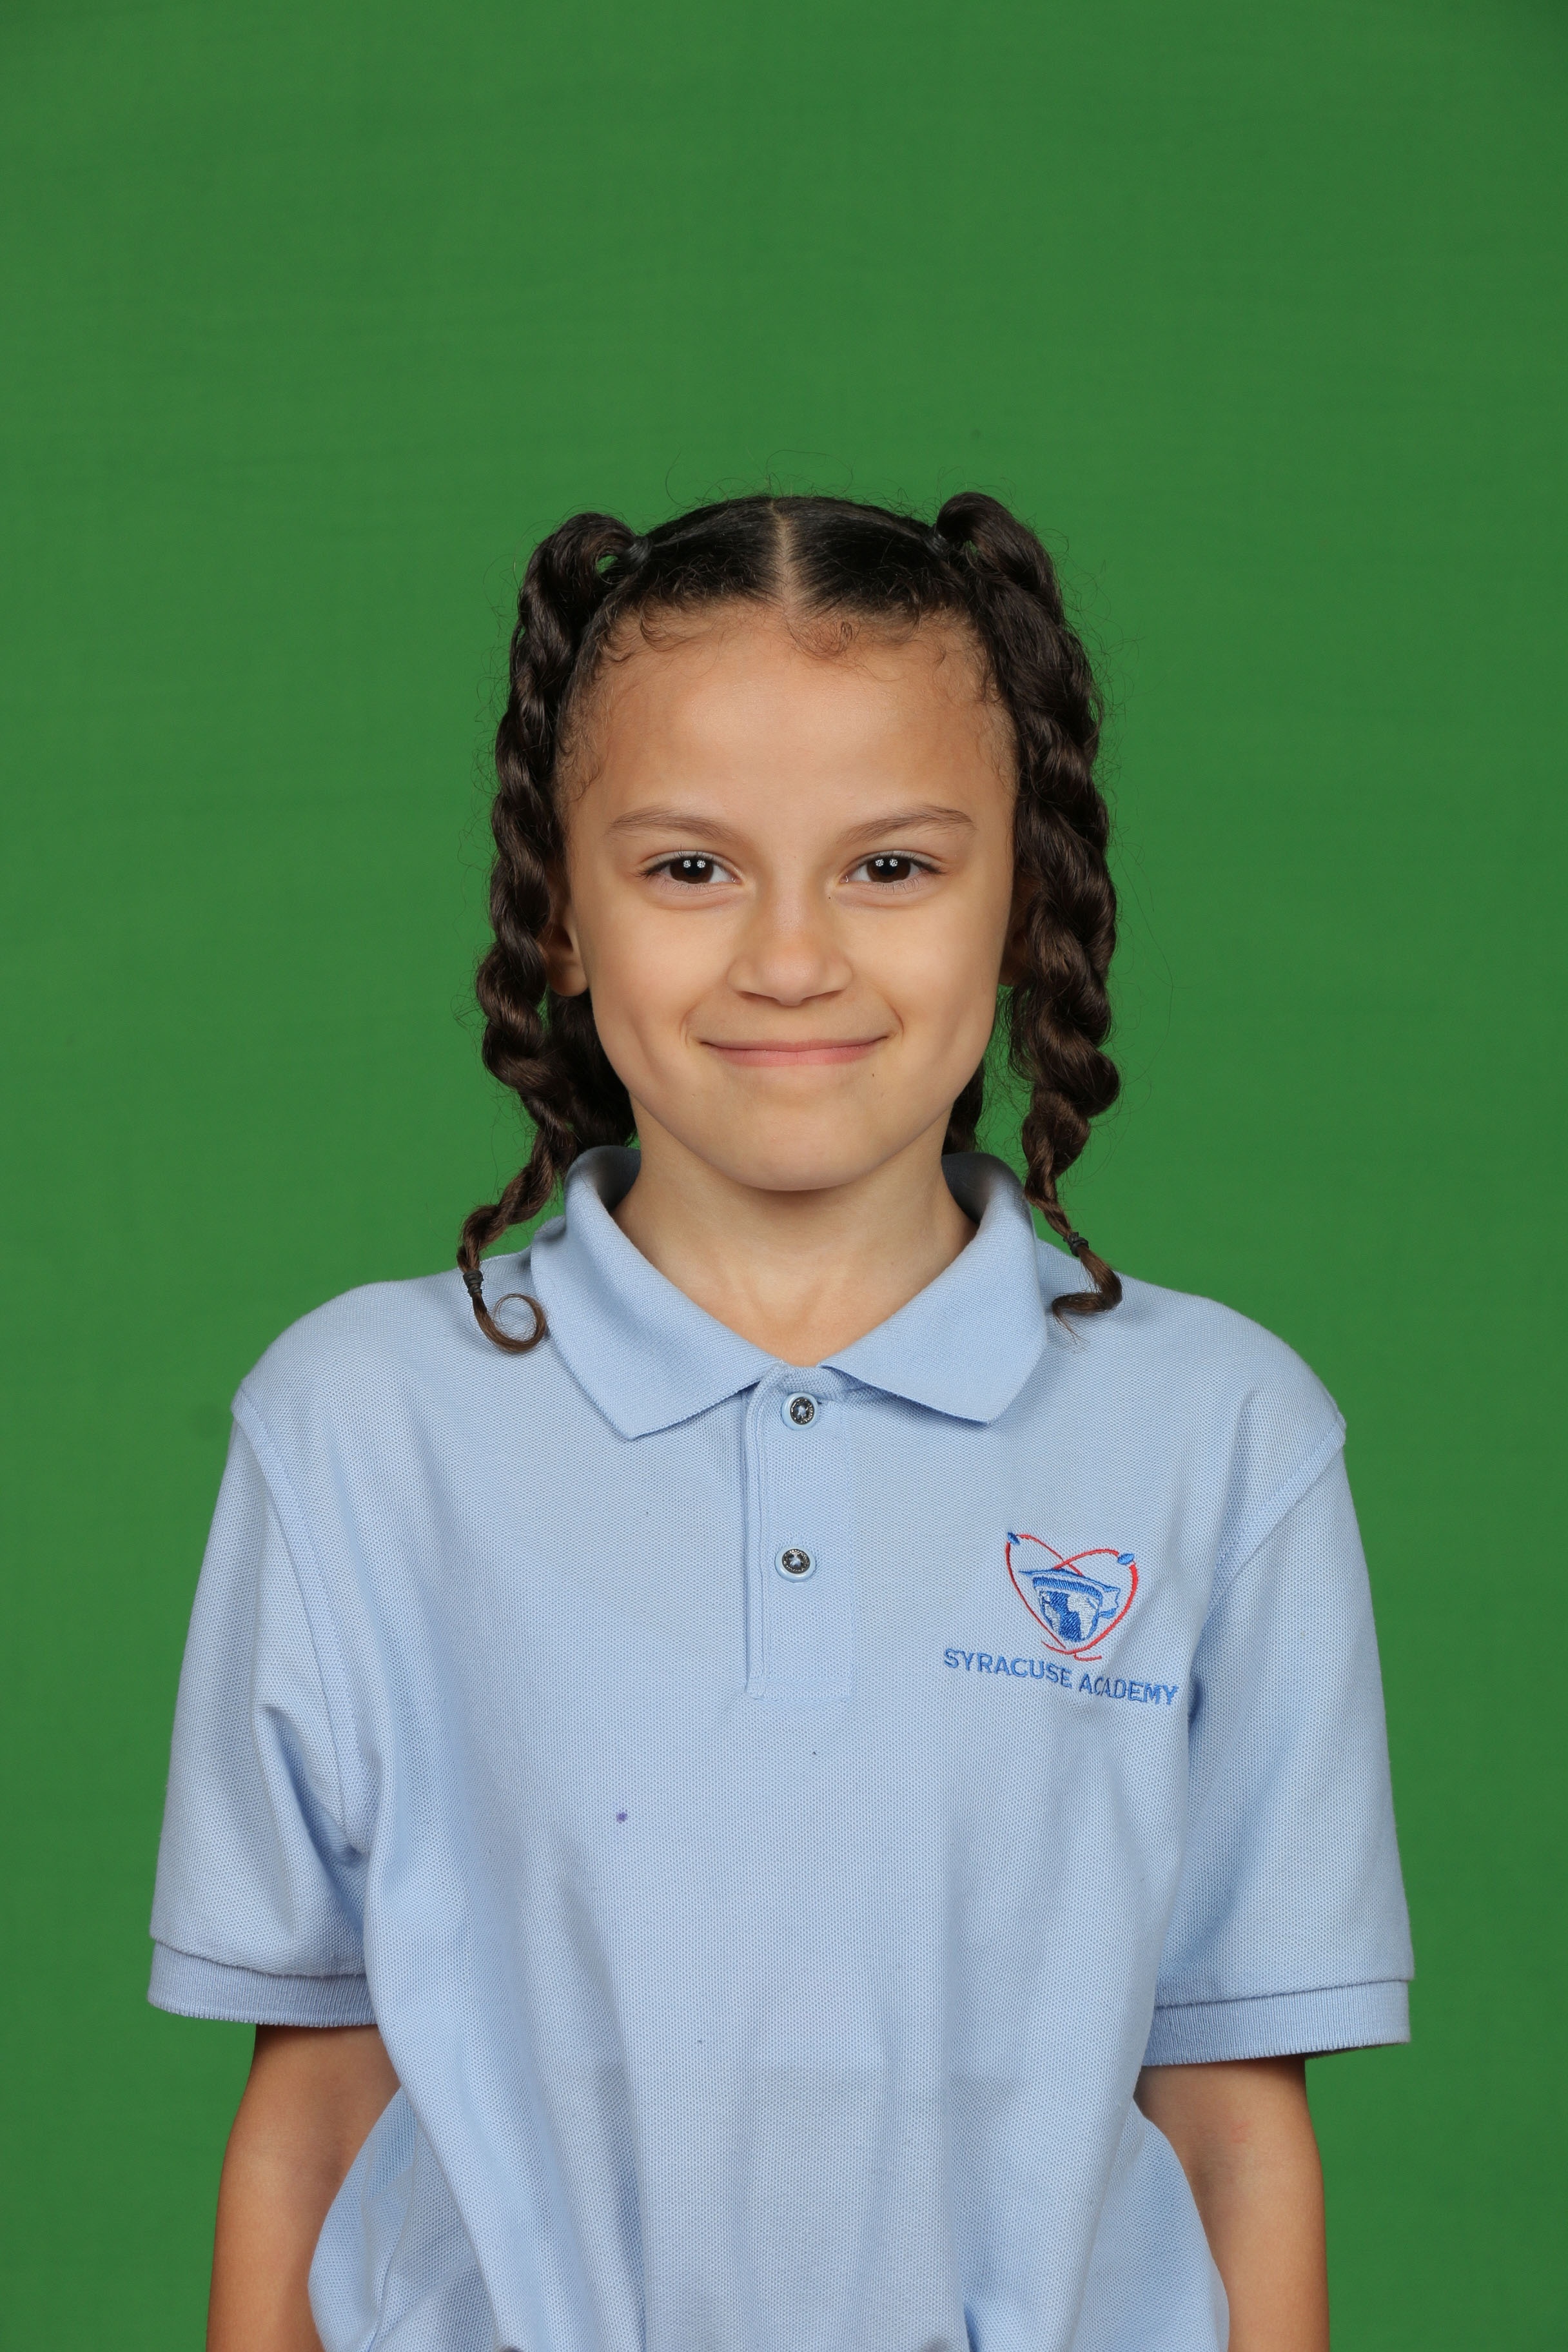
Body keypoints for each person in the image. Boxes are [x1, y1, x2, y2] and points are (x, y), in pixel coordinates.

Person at [149, 493, 1412, 2352]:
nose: (792, 956)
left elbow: (1233, 2126)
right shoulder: (357, 1428)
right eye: (690, 868)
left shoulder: (1224, 1438)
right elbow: (316, 2111)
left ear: (1025, 905)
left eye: (891, 866)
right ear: (559, 911)